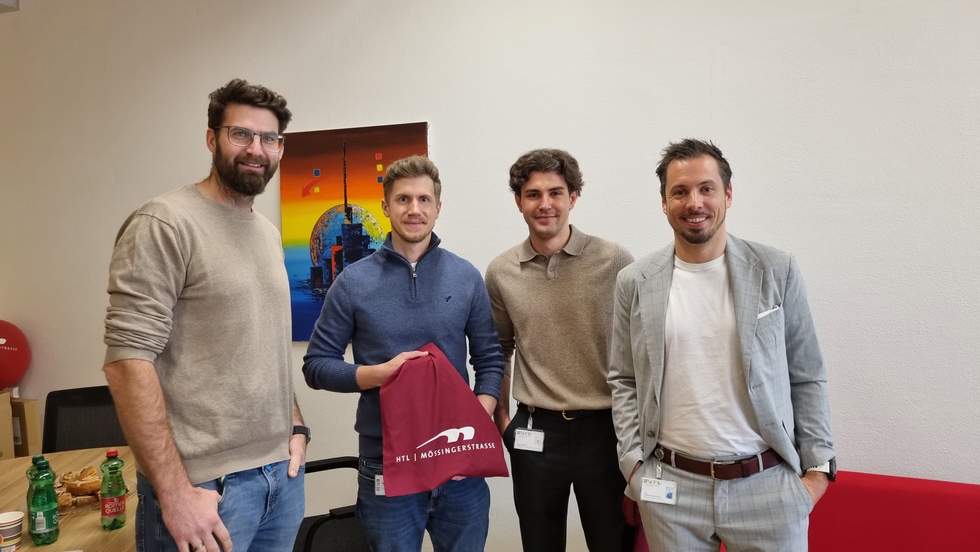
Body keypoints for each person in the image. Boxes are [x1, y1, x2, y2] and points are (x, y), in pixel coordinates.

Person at [103, 79, 308, 552]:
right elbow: (126, 362)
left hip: (280, 477)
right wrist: (175, 494)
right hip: (206, 490)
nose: (256, 149)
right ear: (211, 138)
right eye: (241, 134)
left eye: (269, 138)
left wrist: (295, 427)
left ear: (280, 148)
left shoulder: (266, 233)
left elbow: (263, 346)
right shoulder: (164, 223)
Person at [608, 138, 836, 551]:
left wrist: (817, 472)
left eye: (706, 188)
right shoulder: (634, 281)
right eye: (680, 191)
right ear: (664, 203)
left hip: (767, 485)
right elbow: (623, 378)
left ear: (727, 194)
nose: (694, 202)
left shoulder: (776, 269)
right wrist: (634, 466)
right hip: (672, 490)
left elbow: (807, 374)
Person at [302, 155, 504, 552]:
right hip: (385, 463)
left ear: (438, 207)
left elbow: (490, 359)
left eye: (424, 200)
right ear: (385, 206)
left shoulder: (465, 276)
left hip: (458, 465)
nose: (414, 209)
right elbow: (317, 366)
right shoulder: (352, 282)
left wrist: (479, 415)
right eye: (403, 199)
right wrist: (377, 374)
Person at [485, 148, 634, 551]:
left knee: (612, 542)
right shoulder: (501, 272)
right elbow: (499, 350)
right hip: (535, 430)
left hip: (604, 431)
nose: (545, 204)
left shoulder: (614, 260)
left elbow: (640, 347)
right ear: (519, 202)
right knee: (540, 543)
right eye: (533, 194)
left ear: (574, 197)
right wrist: (503, 420)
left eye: (556, 192)